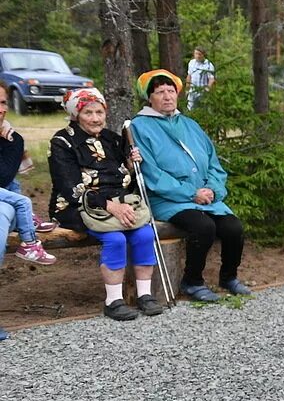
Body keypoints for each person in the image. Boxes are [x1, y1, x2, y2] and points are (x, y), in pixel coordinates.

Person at [131, 70, 250, 302]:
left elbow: (213, 163)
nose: (167, 96)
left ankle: (228, 277)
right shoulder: (140, 126)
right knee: (203, 227)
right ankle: (192, 281)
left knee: (233, 227)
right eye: (159, 92)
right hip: (167, 199)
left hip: (204, 198)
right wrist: (190, 193)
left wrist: (213, 190)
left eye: (171, 91)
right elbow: (152, 175)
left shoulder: (190, 125)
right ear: (149, 98)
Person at [49, 88, 163, 321]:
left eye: (99, 112)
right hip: (76, 206)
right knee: (115, 238)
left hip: (118, 205)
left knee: (143, 234)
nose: (95, 118)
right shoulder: (62, 142)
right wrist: (110, 206)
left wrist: (131, 166)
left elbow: (123, 180)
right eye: (88, 112)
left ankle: (145, 295)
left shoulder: (112, 139)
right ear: (76, 115)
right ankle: (113, 301)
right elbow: (71, 188)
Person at [0, 87, 57, 269]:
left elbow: (4, 176)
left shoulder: (12, 139)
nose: (1, 109)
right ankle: (29, 242)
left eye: (2, 102)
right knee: (21, 203)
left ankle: (29, 242)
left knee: (7, 211)